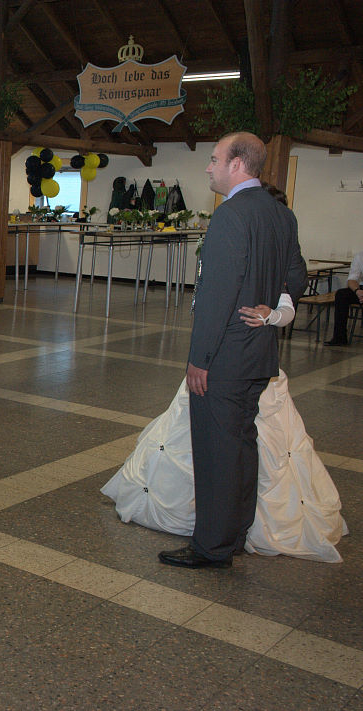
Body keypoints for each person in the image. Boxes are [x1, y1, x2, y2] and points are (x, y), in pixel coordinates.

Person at [103, 293, 346, 562]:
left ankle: (226, 529)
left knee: (237, 447)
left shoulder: (261, 267)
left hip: (242, 363)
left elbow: (286, 303)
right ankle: (221, 526)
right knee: (212, 442)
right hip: (222, 359)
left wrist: (272, 316)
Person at [158, 132, 306, 569]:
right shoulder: (282, 214)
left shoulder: (230, 215)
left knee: (216, 452)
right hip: (258, 352)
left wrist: (199, 359)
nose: (208, 167)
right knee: (240, 446)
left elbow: (217, 295)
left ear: (237, 164)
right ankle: (234, 534)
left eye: (214, 159)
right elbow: (297, 276)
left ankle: (212, 546)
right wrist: (273, 310)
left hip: (224, 356)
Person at [324, 250, 363, 346]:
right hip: (361, 289)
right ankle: (339, 337)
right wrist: (357, 291)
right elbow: (352, 279)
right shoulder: (360, 256)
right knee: (341, 294)